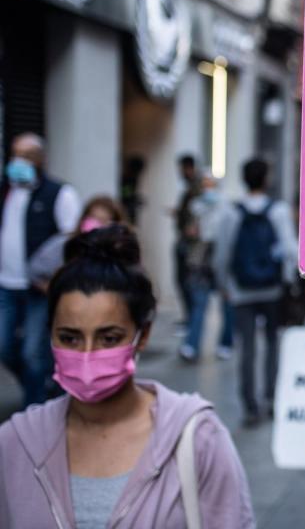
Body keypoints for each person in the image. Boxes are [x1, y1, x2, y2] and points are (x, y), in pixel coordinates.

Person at [0, 225, 254, 527]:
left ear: (142, 335)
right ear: (50, 335)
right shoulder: (15, 444)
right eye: (70, 338)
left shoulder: (198, 441)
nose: (87, 354)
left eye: (109, 338)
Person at [212, 158, 297, 426]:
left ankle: (250, 406)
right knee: (272, 344)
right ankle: (271, 398)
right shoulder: (279, 211)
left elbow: (221, 253)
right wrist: (288, 280)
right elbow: (289, 249)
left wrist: (224, 285)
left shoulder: (230, 212)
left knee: (246, 349)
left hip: (241, 291)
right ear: (266, 179)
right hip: (272, 289)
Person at [0, 133, 82, 407]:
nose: (17, 161)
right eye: (15, 154)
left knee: (34, 352)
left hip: (39, 288)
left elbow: (72, 240)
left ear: (41, 159)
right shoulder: (7, 191)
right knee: (4, 346)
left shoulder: (59, 193)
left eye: (25, 155)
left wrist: (56, 279)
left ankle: (36, 409)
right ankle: (43, 387)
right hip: (6, 285)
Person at [180, 171, 234, 362]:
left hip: (223, 262)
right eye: (205, 184)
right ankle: (191, 345)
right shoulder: (196, 207)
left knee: (227, 306)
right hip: (201, 262)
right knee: (199, 305)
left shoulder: (227, 208)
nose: (208, 188)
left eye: (211, 184)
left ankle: (226, 344)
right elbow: (187, 231)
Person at [28, 196, 128, 294]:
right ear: (84, 219)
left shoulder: (121, 249)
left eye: (103, 221)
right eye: (93, 218)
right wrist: (57, 293)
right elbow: (34, 271)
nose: (97, 225)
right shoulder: (65, 243)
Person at [174, 154, 201, 326]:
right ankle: (190, 318)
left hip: (190, 244)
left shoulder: (196, 188)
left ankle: (192, 319)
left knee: (187, 281)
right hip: (186, 240)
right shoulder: (191, 187)